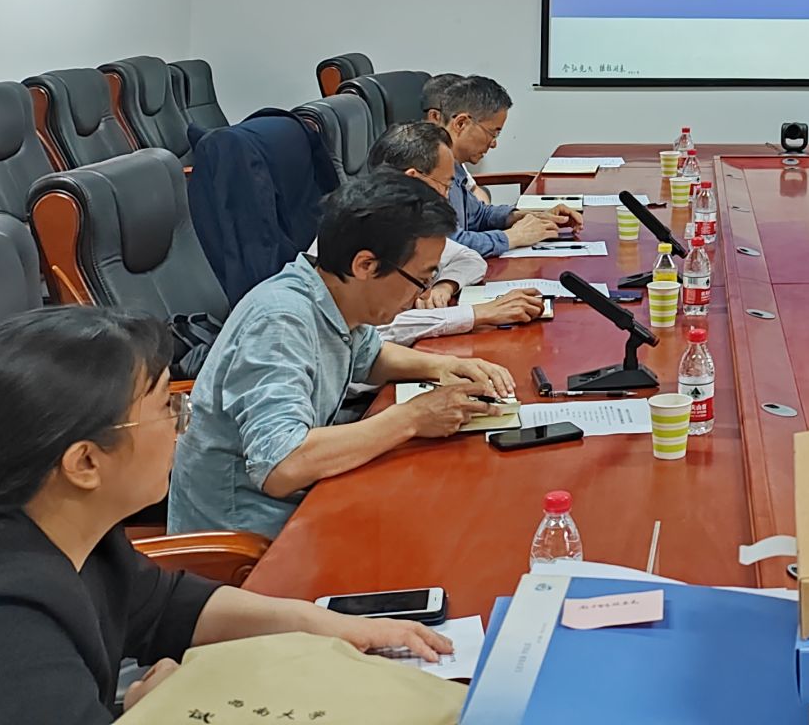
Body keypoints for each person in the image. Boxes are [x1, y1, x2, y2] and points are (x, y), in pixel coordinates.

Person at [0, 307, 450, 724]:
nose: (182, 425)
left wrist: (329, 626)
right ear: (84, 462)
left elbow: (166, 605)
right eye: (165, 410)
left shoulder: (51, 531)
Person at [168, 170, 517, 538]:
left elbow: (370, 357)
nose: (422, 293)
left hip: (305, 504)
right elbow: (282, 465)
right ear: (365, 265)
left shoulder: (331, 296)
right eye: (420, 279)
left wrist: (447, 366)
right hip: (250, 536)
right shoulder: (280, 322)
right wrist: (414, 417)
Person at [365, 121, 545, 337]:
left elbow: (469, 258)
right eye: (445, 185)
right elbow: (376, 331)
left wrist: (445, 285)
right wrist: (476, 314)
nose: (447, 196)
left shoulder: (413, 225)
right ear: (413, 179)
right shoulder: (366, 232)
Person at [437, 75, 580, 257]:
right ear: (461, 123)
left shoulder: (454, 164)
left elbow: (478, 216)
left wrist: (528, 217)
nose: (494, 143)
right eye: (493, 133)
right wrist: (512, 237)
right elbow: (445, 245)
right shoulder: (426, 169)